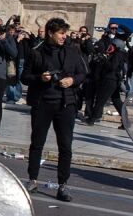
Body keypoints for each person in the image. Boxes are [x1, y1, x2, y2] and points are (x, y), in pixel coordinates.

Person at [22, 18, 89, 201]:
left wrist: (72, 81)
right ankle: (33, 179)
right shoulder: (36, 52)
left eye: (65, 33)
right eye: (60, 33)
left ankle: (63, 185)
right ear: (51, 33)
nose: (63, 36)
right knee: (37, 143)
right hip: (42, 102)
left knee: (65, 145)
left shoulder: (73, 51)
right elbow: (25, 77)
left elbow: (83, 73)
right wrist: (40, 78)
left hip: (66, 104)